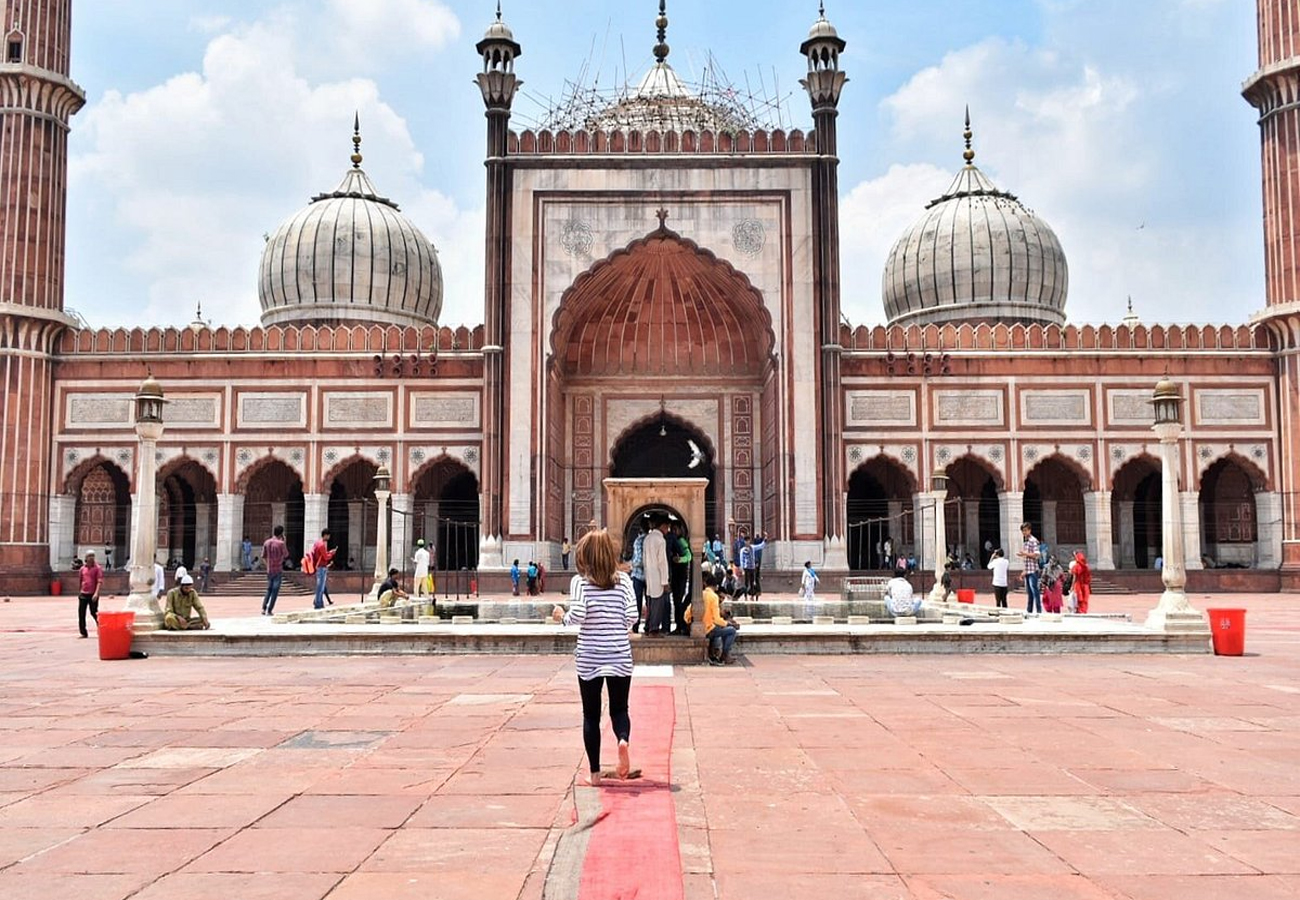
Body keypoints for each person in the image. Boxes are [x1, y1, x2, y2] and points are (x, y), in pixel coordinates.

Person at [551, 529, 639, 785]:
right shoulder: (624, 581)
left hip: (589, 655)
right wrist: (616, 626)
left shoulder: (580, 582)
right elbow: (632, 616)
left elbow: (578, 614)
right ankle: (622, 740)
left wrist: (562, 617)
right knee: (620, 709)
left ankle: (595, 774)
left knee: (590, 716)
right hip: (619, 653)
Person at [643, 515, 672, 636]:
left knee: (650, 603)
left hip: (649, 575)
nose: (668, 530)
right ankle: (654, 629)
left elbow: (644, 560)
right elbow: (662, 563)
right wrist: (665, 581)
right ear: (663, 526)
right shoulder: (660, 540)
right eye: (667, 527)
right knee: (658, 604)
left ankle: (648, 626)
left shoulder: (647, 538)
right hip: (658, 577)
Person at [702, 571, 738, 665]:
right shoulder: (713, 597)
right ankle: (724, 655)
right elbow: (717, 619)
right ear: (715, 586)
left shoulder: (701, 594)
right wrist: (729, 624)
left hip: (700, 627)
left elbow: (687, 614)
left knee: (722, 629)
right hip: (708, 628)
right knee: (732, 631)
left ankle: (720, 654)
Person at [669, 524, 692, 635]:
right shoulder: (674, 540)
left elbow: (689, 556)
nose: (673, 531)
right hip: (676, 575)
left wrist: (679, 560)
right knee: (676, 601)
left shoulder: (681, 541)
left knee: (678, 601)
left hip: (680, 575)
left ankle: (680, 626)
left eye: (675, 528)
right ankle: (679, 626)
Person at [76, 550, 104, 638]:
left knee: (94, 612)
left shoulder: (97, 568)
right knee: (81, 613)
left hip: (93, 594)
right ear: (86, 558)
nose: (91, 558)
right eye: (89, 556)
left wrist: (96, 593)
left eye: (93, 556)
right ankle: (83, 632)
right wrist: (79, 592)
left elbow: (99, 581)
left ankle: (102, 629)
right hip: (83, 593)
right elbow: (80, 581)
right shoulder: (82, 569)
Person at [261, 525, 288, 615]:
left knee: (269, 589)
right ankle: (270, 609)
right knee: (275, 590)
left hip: (270, 570)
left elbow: (263, 557)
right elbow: (286, 555)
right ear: (281, 534)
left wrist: (268, 565)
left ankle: (264, 608)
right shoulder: (281, 544)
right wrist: (284, 542)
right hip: (278, 569)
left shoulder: (267, 542)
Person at [307, 529, 336, 610]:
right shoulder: (322, 545)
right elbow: (326, 557)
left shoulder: (316, 543)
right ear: (325, 535)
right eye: (328, 535)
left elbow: (321, 555)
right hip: (321, 567)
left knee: (320, 585)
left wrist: (328, 552)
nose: (329, 537)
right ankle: (318, 603)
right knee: (321, 586)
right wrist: (331, 554)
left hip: (318, 566)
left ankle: (318, 601)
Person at [1017, 523, 1042, 615]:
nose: (1024, 532)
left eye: (1026, 530)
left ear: (1029, 530)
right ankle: (1029, 610)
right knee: (1030, 591)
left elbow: (1037, 555)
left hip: (1033, 569)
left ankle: (1039, 610)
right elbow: (1027, 558)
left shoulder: (1033, 541)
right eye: (1023, 531)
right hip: (1028, 569)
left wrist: (1025, 554)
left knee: (1034, 590)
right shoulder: (1026, 542)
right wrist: (1024, 571)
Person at [629, 520, 648, 632]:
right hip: (649, 575)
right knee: (650, 601)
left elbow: (638, 560)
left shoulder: (639, 540)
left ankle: (635, 626)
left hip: (638, 574)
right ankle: (649, 626)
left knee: (637, 601)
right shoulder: (650, 539)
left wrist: (631, 565)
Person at [752, 531, 768, 597]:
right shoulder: (755, 547)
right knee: (756, 578)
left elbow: (763, 544)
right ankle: (756, 592)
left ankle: (755, 592)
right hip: (755, 563)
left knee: (755, 578)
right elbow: (763, 544)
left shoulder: (754, 547)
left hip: (755, 564)